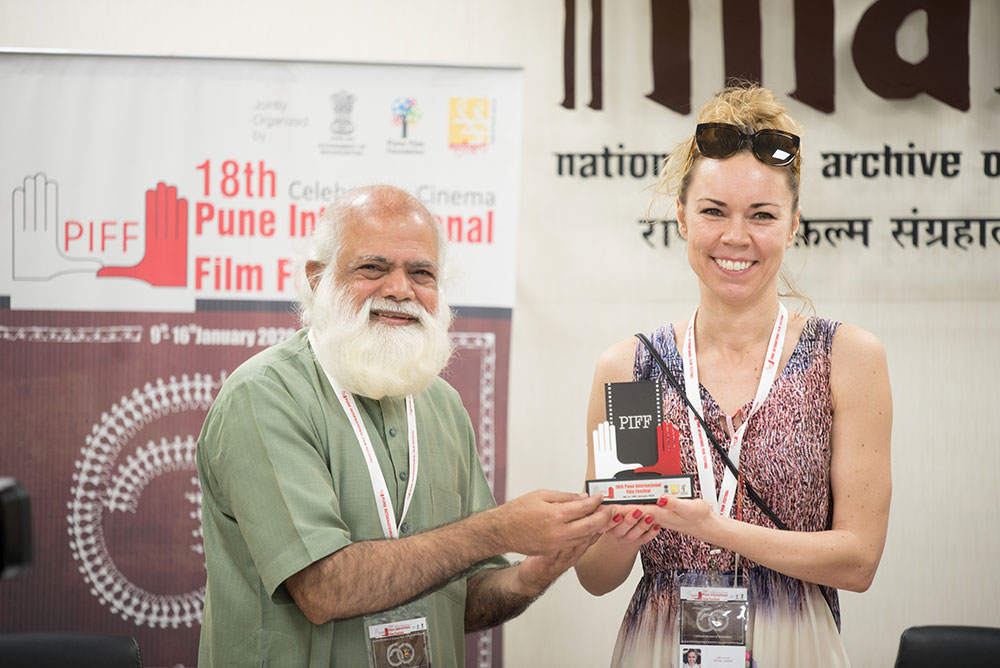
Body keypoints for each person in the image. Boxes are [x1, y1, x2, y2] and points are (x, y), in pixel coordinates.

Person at [197, 185, 612, 667]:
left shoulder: (442, 404)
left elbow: (459, 597)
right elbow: (323, 589)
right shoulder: (265, 394)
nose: (399, 289)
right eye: (373, 268)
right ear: (317, 278)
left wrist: (533, 573)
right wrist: (497, 531)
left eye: (421, 273)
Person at [574, 84, 892, 667]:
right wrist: (619, 535)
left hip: (795, 644)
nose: (736, 237)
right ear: (682, 218)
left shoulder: (846, 358)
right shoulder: (632, 371)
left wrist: (712, 527)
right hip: (661, 646)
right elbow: (596, 577)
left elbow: (858, 561)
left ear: (793, 225)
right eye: (714, 211)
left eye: (762, 215)